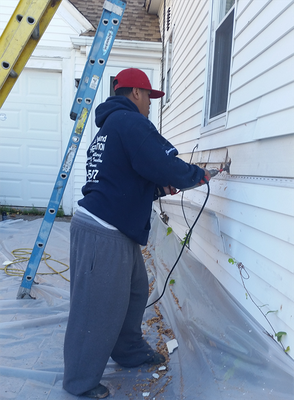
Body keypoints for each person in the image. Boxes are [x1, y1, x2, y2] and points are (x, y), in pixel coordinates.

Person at [63, 68, 210, 398]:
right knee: (96, 307)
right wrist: (197, 175)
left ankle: (128, 350)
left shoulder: (112, 127)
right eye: (149, 99)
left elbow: (126, 178)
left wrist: (158, 187)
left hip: (113, 226)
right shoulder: (131, 123)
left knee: (134, 291)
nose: (150, 107)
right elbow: (162, 163)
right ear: (136, 94)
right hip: (103, 231)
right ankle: (79, 382)